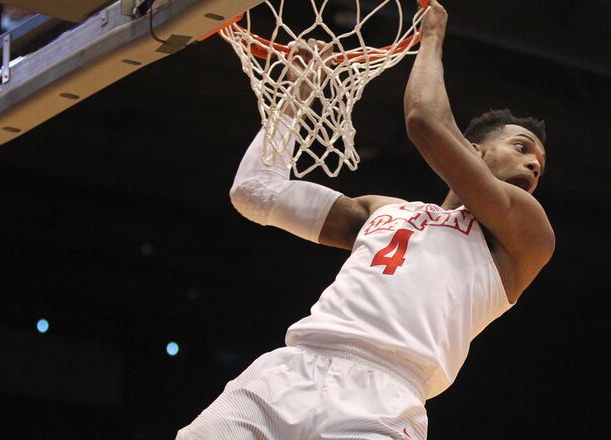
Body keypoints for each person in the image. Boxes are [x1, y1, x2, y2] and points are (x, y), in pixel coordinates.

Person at [177, 1, 554, 439]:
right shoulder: (383, 209)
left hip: (386, 397)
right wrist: (296, 95)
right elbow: (255, 193)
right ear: (472, 149)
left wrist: (431, 37)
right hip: (287, 373)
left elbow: (424, 121)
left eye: (540, 166)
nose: (533, 167)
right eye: (522, 148)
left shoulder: (525, 235)